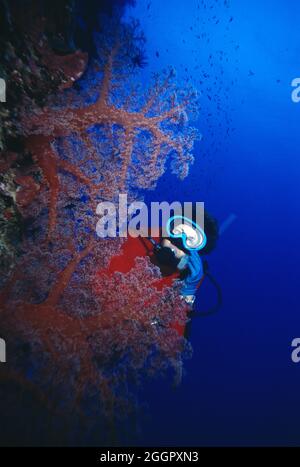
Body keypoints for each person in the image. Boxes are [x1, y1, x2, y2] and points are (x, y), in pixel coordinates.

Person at [101, 210, 219, 336]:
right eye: (178, 230)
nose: (179, 241)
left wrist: (187, 294)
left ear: (196, 255)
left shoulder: (189, 278)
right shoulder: (136, 239)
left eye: (190, 240)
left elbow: (173, 341)